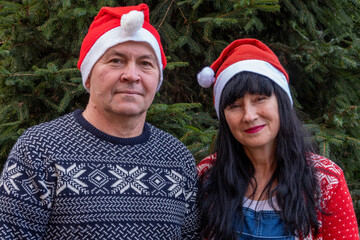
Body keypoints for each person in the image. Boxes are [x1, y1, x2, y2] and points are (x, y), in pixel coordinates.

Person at [0, 4, 199, 239]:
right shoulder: (38, 150)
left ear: (157, 80)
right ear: (88, 76)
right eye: (116, 60)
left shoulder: (177, 158)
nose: (132, 75)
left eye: (145, 63)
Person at [196, 38, 359, 239]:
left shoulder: (326, 182)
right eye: (235, 106)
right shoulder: (206, 176)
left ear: (281, 102)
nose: (249, 115)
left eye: (260, 99)